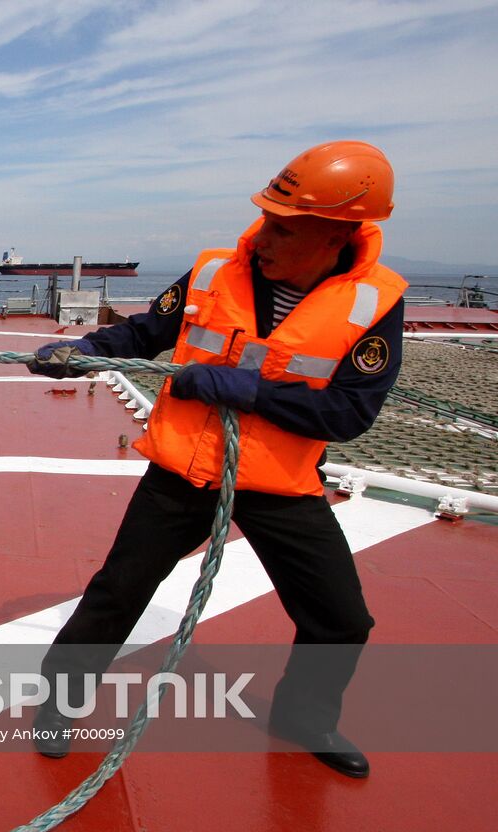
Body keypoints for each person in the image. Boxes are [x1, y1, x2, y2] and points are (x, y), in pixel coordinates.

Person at [28, 141, 406, 778]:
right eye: (264, 220)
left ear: (335, 234)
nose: (261, 239)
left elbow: (348, 414)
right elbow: (148, 331)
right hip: (183, 467)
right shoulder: (211, 272)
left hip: (280, 482)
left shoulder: (375, 301)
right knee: (118, 591)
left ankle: (305, 716)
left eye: (282, 228)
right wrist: (85, 347)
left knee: (341, 618)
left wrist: (246, 390)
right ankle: (60, 706)